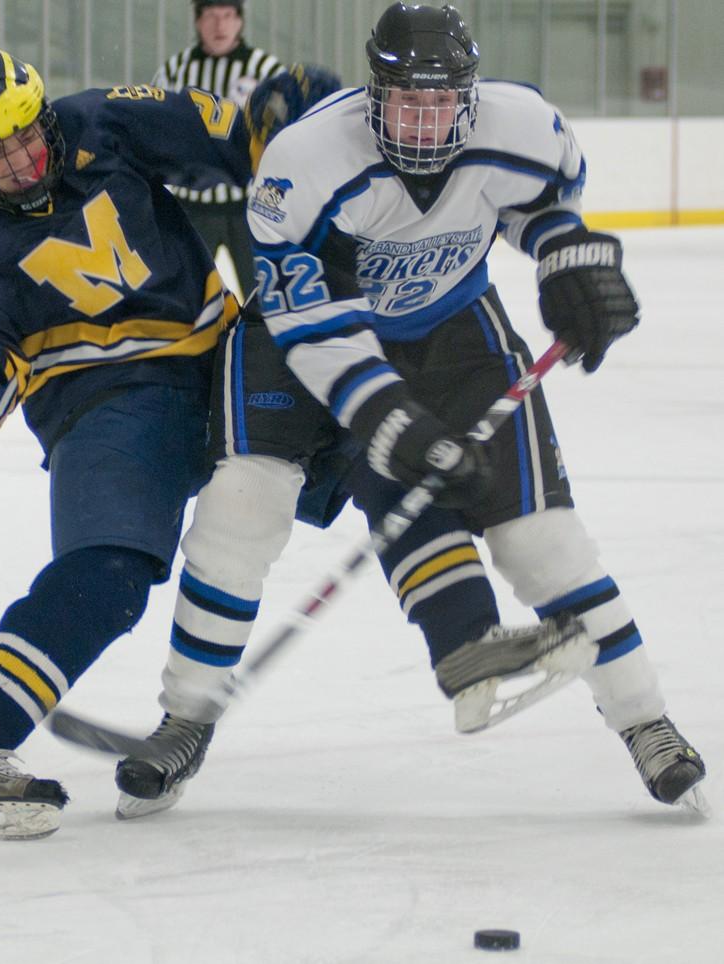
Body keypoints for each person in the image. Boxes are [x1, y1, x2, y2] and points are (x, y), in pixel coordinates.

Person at [114, 2, 708, 818]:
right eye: (405, 102)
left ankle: (647, 721)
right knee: (239, 511)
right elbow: (314, 325)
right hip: (299, 337)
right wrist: (389, 417)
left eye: (440, 103)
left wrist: (566, 257)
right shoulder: (306, 162)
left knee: (544, 542)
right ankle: (184, 719)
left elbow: (542, 202)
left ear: (468, 96)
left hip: (451, 332)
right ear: (373, 92)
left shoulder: (521, 124)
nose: (425, 123)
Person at [0, 48, 282, 839]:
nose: (19, 161)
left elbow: (241, 142)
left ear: (43, 116)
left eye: (25, 135)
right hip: (108, 406)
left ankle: (501, 620)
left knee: (387, 455)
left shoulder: (106, 118)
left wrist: (293, 121)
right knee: (107, 575)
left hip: (223, 358)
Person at [153, 0, 284, 299]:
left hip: (252, 206)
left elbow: (286, 133)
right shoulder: (176, 70)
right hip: (191, 207)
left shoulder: (266, 70)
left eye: (227, 16)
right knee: (187, 296)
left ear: (240, 21)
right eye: (211, 16)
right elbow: (156, 128)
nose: (219, 26)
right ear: (198, 22)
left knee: (264, 297)